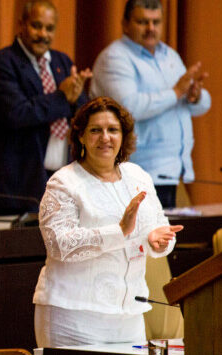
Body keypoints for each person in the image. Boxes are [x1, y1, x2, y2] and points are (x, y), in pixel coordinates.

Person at [32, 96, 183, 347]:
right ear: (80, 136)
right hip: (74, 317)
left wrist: (159, 242)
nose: (105, 138)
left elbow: (159, 227)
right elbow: (59, 245)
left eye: (113, 130)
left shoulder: (138, 176)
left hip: (130, 317)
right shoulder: (64, 183)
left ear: (123, 136)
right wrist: (120, 231)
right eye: (95, 130)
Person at [90, 0, 211, 209]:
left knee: (168, 238)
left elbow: (202, 106)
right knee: (140, 239)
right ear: (125, 24)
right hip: (134, 172)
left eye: (156, 22)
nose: (151, 28)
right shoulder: (115, 57)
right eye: (143, 22)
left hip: (171, 171)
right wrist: (176, 92)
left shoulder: (169, 56)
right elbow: (128, 106)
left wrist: (194, 96)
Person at [0, 0, 91, 215]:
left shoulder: (63, 62)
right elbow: (16, 114)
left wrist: (77, 99)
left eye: (49, 28)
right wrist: (62, 96)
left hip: (63, 181)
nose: (43, 34)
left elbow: (82, 112)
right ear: (21, 25)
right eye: (36, 26)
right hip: (18, 187)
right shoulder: (0, 64)